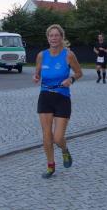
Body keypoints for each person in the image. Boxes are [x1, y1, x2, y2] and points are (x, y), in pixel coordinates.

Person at [34, 24, 83, 179]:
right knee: (46, 135)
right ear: (47, 38)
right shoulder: (41, 55)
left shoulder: (68, 55)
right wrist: (36, 77)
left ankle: (64, 150)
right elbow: (37, 73)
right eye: (51, 35)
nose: (54, 38)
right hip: (45, 96)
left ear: (62, 37)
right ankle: (50, 166)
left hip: (62, 97)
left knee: (58, 138)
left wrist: (71, 79)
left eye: (56, 35)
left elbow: (79, 72)